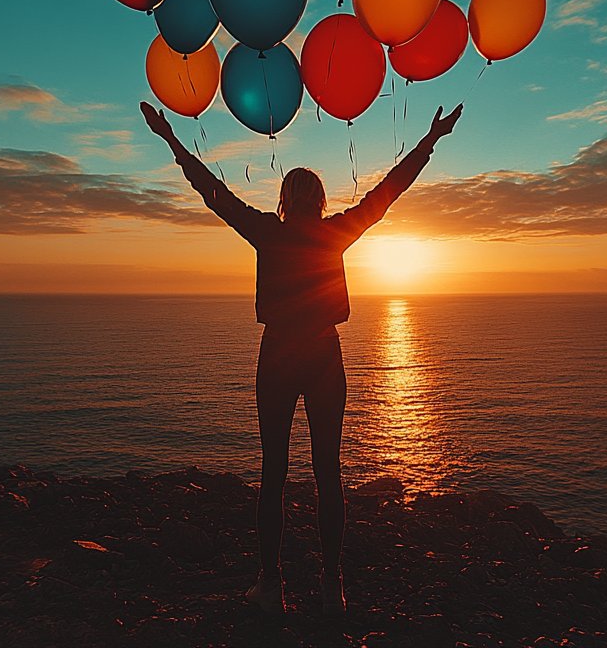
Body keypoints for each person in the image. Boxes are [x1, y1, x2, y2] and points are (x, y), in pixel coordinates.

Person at [141, 99, 463, 616]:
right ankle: (331, 584)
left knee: (273, 472)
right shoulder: (334, 234)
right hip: (323, 356)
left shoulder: (268, 232)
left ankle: (271, 583)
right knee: (327, 471)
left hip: (277, 357)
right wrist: (431, 139)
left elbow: (213, 193)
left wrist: (170, 138)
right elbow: (387, 194)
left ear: (286, 201)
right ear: (321, 200)